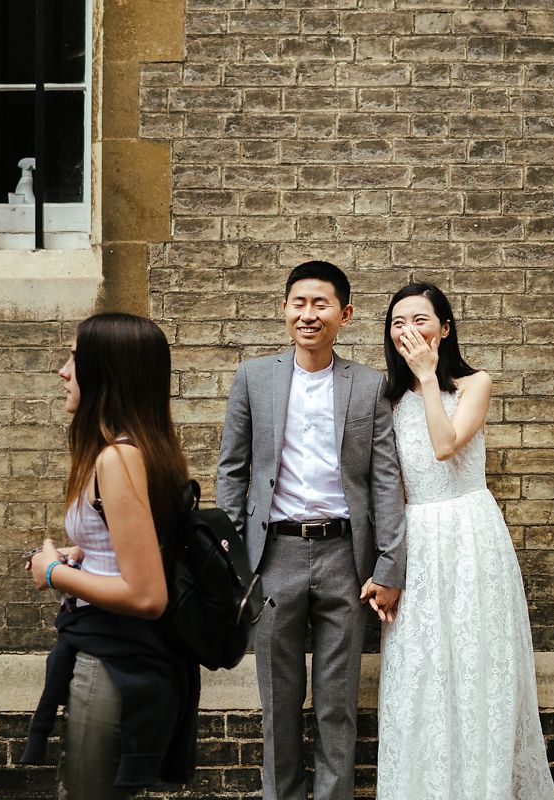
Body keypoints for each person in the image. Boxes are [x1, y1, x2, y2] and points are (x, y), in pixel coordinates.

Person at [217, 260, 406, 800]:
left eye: (321, 304)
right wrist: (232, 561)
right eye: (298, 303)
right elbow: (232, 470)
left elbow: (385, 482)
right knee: (277, 699)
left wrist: (389, 566)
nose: (308, 314)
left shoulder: (368, 386)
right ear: (284, 310)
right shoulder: (255, 377)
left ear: (344, 315)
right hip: (273, 555)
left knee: (337, 700)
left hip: (345, 557)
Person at [374, 283, 554, 800]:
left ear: (444, 328)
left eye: (420, 320)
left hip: (472, 534)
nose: (408, 331)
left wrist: (430, 379)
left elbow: (445, 445)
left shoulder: (475, 384)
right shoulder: (385, 401)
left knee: (480, 664)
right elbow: (390, 488)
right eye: (397, 322)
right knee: (420, 668)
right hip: (419, 537)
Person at [21, 313, 199, 799]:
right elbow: (135, 544)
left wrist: (54, 572)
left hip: (117, 662)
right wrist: (87, 550)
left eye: (76, 357)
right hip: (116, 655)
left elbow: (146, 595)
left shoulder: (117, 460)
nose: (63, 370)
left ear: (107, 370)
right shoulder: (139, 448)